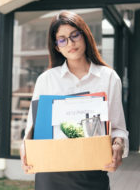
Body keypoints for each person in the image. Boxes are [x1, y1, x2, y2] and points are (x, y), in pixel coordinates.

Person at [20, 11, 129, 190]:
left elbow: (118, 128)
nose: (70, 43)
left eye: (74, 35)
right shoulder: (46, 79)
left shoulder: (108, 78)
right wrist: (25, 152)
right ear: (57, 46)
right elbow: (31, 131)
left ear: (84, 35)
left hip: (92, 173)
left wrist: (117, 144)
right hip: (50, 176)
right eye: (62, 39)